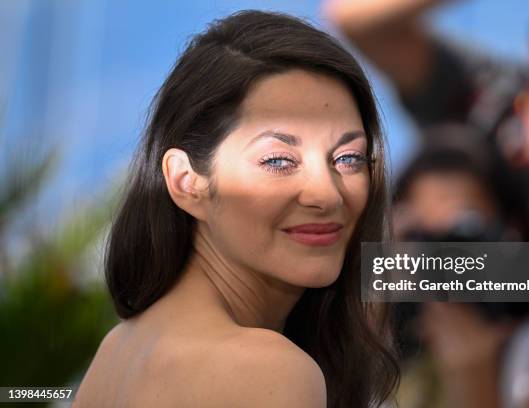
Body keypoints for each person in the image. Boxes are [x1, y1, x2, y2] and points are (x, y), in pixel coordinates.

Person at [72, 10, 399, 408]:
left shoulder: (122, 347)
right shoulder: (267, 369)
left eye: (348, 158)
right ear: (186, 181)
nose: (326, 194)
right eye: (278, 160)